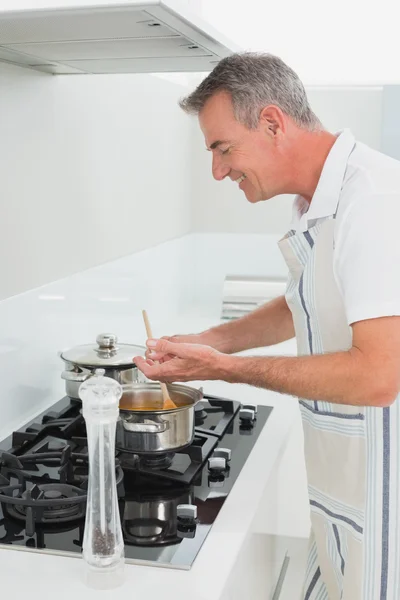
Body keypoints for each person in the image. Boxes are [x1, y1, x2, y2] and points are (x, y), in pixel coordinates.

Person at [134, 52, 400, 600]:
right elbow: (302, 301)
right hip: (344, 482)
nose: (218, 170)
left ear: (273, 123)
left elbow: (380, 375)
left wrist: (227, 370)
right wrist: (209, 342)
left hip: (384, 493)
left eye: (222, 147)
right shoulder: (317, 200)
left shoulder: (370, 201)